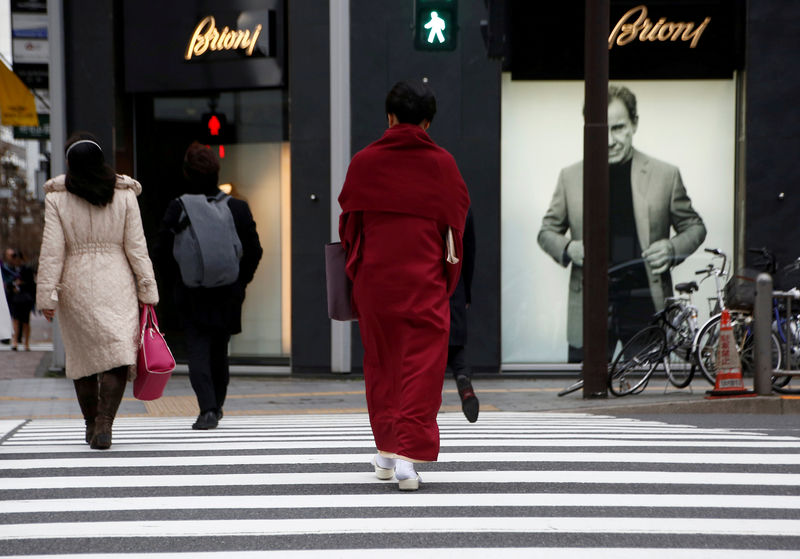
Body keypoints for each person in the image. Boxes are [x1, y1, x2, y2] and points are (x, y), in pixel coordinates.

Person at [339, 79, 470, 491]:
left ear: (390, 117)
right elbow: (456, 222)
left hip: (375, 281)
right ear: (427, 122)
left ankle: (384, 452)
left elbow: (349, 227)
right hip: (424, 280)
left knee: (381, 364)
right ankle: (407, 463)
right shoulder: (443, 164)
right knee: (421, 366)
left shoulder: (364, 161)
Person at [537, 84, 707, 362]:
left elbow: (695, 227)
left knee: (646, 397)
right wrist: (569, 248)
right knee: (585, 392)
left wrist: (672, 247)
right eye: (602, 130)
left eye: (617, 128)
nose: (609, 140)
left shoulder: (665, 175)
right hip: (590, 305)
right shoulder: (570, 177)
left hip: (644, 301)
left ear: (634, 124)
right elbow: (546, 232)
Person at [36, 132, 159, 449]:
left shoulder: (57, 199)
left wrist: (47, 295)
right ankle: (105, 423)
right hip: (116, 280)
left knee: (83, 359)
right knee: (119, 356)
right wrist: (147, 290)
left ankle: (91, 423)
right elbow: (137, 248)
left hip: (74, 283)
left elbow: (52, 251)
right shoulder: (125, 195)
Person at [157, 142, 262, 431]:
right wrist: (241, 282)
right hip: (228, 291)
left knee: (198, 350)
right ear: (217, 173)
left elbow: (163, 250)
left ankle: (208, 409)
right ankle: (217, 405)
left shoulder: (178, 207)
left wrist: (175, 283)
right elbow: (254, 250)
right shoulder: (238, 208)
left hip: (190, 292)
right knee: (220, 350)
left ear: (187, 174)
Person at [448, 207, 478, 422]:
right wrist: (465, 291)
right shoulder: (459, 203)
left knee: (425, 347)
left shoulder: (415, 196)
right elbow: (469, 250)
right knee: (456, 346)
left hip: (422, 282)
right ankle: (464, 381)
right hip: (453, 280)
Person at [6, 249, 36, 351]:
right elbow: (7, 283)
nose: (16, 260)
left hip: (25, 299)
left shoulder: (26, 269)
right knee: (15, 321)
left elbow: (32, 284)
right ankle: (15, 342)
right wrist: (12, 286)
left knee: (25, 322)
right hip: (15, 299)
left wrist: (21, 283)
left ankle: (26, 343)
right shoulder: (10, 269)